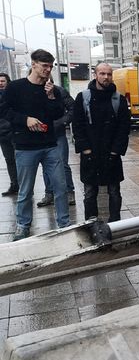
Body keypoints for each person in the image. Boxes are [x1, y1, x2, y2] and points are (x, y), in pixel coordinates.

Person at [0, 50, 69, 240]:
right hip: (25, 147)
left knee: (60, 187)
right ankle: (23, 226)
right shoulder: (15, 87)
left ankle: (64, 224)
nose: (48, 70)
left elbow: (57, 114)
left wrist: (51, 97)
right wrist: (25, 120)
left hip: (50, 145)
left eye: (50, 66)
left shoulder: (51, 89)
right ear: (33, 64)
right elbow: (3, 111)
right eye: (44, 65)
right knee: (25, 190)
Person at [72, 62, 131, 222]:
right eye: (102, 74)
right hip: (90, 154)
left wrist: (115, 151)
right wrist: (86, 150)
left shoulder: (118, 99)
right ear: (95, 75)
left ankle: (115, 223)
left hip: (111, 154)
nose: (106, 77)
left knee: (114, 191)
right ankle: (91, 224)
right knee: (90, 192)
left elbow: (124, 127)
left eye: (109, 74)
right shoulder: (83, 98)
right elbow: (77, 125)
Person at [36, 84, 76, 208]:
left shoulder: (60, 91)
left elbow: (73, 109)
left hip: (57, 134)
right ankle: (49, 193)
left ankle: (69, 192)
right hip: (40, 134)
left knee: (62, 163)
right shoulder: (32, 90)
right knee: (45, 165)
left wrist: (61, 122)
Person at [0, 73, 18, 197]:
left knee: (19, 159)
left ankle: (24, 186)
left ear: (8, 82)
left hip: (13, 132)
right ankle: (14, 184)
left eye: (2, 81)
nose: (0, 83)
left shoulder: (13, 95)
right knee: (9, 160)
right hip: (2, 134)